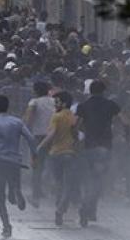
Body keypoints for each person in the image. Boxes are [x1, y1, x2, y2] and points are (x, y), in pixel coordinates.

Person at [0, 95, 37, 238]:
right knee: (14, 183)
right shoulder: (17, 122)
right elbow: (30, 138)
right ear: (8, 107)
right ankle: (16, 191)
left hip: (0, 161)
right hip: (15, 161)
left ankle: (6, 226)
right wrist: (34, 154)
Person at [75, 79, 120, 226]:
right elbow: (120, 120)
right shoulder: (111, 105)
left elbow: (76, 126)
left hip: (88, 147)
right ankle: (88, 208)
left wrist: (84, 133)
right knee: (98, 179)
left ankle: (88, 209)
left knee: (89, 178)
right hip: (105, 147)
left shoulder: (83, 106)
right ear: (104, 91)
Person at [37, 91, 79, 226]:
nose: (55, 104)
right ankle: (61, 208)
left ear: (64, 103)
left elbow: (51, 134)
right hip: (70, 153)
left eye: (57, 102)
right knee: (68, 184)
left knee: (58, 182)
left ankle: (58, 204)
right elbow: (76, 134)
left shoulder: (56, 116)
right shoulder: (73, 116)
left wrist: (38, 147)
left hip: (55, 153)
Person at [23, 81, 55, 206]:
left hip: (39, 136)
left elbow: (28, 118)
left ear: (36, 91)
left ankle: (36, 192)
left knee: (37, 165)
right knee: (52, 164)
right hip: (53, 135)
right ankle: (52, 189)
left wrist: (25, 128)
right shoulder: (54, 101)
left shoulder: (34, 102)